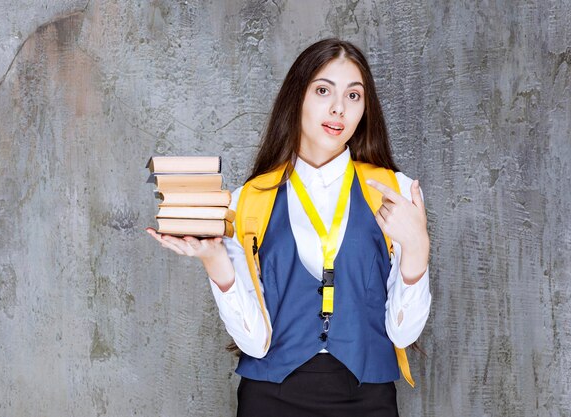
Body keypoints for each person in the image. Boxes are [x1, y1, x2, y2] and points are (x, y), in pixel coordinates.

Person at [146, 38, 431, 417]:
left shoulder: (395, 192)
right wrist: (215, 261)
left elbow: (402, 334)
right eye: (323, 90)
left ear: (365, 109)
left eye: (354, 96)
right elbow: (256, 342)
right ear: (297, 96)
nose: (338, 108)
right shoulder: (246, 200)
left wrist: (418, 250)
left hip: (367, 398)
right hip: (271, 398)